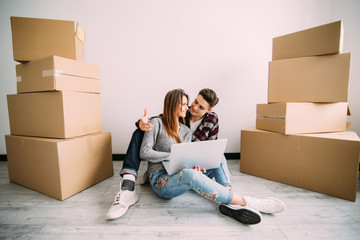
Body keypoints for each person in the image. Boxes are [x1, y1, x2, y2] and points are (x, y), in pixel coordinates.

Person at [138, 88, 285, 225]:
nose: (187, 107)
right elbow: (144, 152)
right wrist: (172, 155)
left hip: (179, 174)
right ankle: (244, 201)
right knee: (191, 175)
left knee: (218, 157)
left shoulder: (186, 131)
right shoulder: (156, 123)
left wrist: (193, 164)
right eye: (183, 104)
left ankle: (228, 197)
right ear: (172, 104)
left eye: (186, 104)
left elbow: (187, 156)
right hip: (160, 178)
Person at [106, 88, 232, 220]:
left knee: (220, 156)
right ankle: (129, 181)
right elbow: (162, 119)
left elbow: (210, 150)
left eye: (200, 107)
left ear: (208, 111)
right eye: (195, 102)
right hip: (173, 163)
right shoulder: (184, 111)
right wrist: (141, 123)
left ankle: (228, 192)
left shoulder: (212, 120)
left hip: (194, 164)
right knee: (140, 131)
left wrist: (196, 164)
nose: (193, 107)